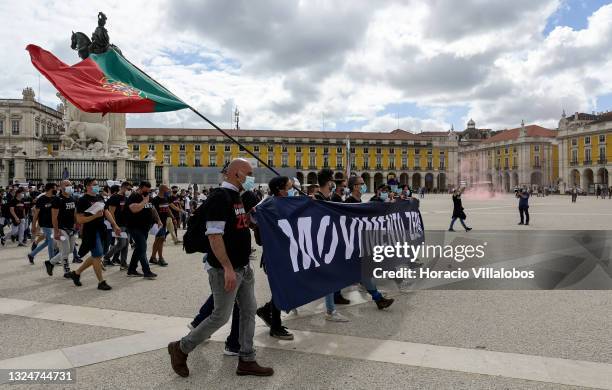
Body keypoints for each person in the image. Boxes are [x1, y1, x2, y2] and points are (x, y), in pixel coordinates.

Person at [168, 158, 273, 378]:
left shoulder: (238, 196)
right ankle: (181, 347)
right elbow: (214, 236)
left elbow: (242, 224)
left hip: (244, 266)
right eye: (249, 173)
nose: (253, 178)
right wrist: (226, 268)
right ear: (237, 174)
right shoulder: (220, 198)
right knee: (220, 316)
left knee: (248, 311)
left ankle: (247, 359)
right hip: (226, 268)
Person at [254, 176, 295, 340]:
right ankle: (276, 327)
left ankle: (266, 310)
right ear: (280, 189)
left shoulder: (284, 203)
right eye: (289, 187)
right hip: (275, 254)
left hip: (286, 253)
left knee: (286, 288)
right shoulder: (268, 205)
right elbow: (258, 230)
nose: (291, 190)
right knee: (281, 289)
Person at [67, 178, 117, 290]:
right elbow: (79, 219)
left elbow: (106, 211)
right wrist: (94, 216)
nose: (97, 186)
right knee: (98, 254)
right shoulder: (82, 200)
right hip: (90, 231)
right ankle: (101, 282)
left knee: (97, 256)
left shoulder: (99, 197)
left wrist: (114, 224)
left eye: (97, 184)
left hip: (101, 229)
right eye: (95, 184)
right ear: (88, 186)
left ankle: (76, 273)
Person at [125, 181, 162, 279]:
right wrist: (144, 201)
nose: (147, 193)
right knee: (142, 248)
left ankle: (131, 269)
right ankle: (147, 271)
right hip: (134, 227)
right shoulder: (133, 197)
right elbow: (134, 209)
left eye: (149, 191)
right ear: (140, 188)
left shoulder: (148, 197)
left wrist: (158, 220)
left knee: (139, 249)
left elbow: (152, 209)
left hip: (145, 228)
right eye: (145, 191)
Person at [44, 180, 77, 278]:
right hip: (61, 228)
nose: (69, 187)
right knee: (66, 250)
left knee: (70, 250)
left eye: (70, 185)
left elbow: (74, 213)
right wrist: (56, 231)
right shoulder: (57, 200)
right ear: (61, 187)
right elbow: (54, 217)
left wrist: (76, 224)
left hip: (71, 228)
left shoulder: (73, 198)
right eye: (67, 185)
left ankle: (50, 262)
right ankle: (67, 271)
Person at [328, 177, 350, 305]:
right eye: (343, 186)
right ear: (337, 187)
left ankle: (337, 294)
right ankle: (336, 296)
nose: (344, 188)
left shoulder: (337, 197)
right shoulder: (335, 198)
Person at [103, 181, 132, 270]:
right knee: (122, 243)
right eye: (128, 189)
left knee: (126, 244)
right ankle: (106, 258)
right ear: (123, 187)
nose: (130, 191)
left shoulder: (125, 198)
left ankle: (123, 263)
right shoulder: (114, 198)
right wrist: (115, 226)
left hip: (126, 224)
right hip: (119, 225)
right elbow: (111, 212)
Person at [150, 184, 171, 267]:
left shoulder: (165, 199)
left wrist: (173, 218)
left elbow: (167, 209)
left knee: (158, 240)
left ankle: (153, 257)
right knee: (161, 239)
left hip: (164, 222)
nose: (168, 190)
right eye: (167, 189)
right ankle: (160, 258)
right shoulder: (155, 200)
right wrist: (156, 221)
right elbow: (152, 211)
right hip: (158, 223)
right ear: (162, 190)